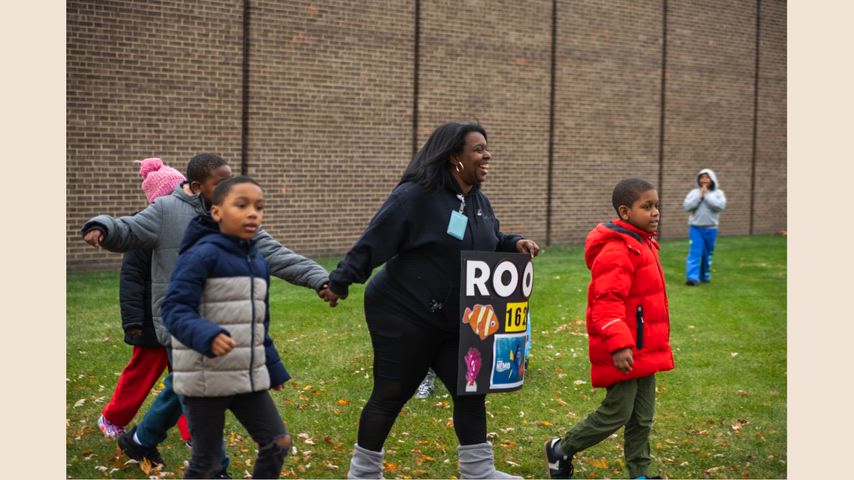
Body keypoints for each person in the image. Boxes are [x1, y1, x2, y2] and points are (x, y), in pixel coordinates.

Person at [81, 153, 336, 470]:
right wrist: (101, 227)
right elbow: (129, 229)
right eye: (221, 181)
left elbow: (276, 254)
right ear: (199, 186)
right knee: (201, 395)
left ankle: (140, 441)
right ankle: (217, 470)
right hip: (183, 326)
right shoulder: (165, 211)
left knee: (181, 388)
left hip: (226, 326)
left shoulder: (234, 214)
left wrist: (320, 279)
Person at [324, 122, 540, 479]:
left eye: (486, 149)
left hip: (455, 319)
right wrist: (342, 281)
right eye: (478, 149)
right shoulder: (415, 196)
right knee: (393, 392)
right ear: (454, 156)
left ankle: (478, 471)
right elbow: (376, 238)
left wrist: (513, 242)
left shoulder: (476, 200)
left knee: (470, 391)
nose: (487, 155)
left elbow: (488, 237)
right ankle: (363, 473)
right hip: (402, 313)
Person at [163, 176, 292, 479]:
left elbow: (257, 321)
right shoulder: (201, 255)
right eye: (242, 205)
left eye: (259, 208)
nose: (253, 214)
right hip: (206, 378)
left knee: (278, 442)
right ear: (217, 212)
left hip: (245, 376)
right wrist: (208, 335)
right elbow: (174, 309)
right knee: (207, 464)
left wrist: (272, 368)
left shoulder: (256, 260)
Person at [544, 178, 674, 480]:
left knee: (642, 417)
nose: (655, 212)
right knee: (617, 411)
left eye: (657, 206)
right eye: (647, 207)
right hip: (625, 348)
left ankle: (639, 473)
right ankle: (561, 448)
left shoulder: (643, 243)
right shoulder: (618, 251)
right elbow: (606, 302)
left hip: (643, 346)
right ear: (625, 212)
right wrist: (619, 343)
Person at [97, 158, 191, 445]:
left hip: (182, 316)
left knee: (188, 378)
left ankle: (194, 433)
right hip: (150, 321)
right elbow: (132, 279)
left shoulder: (190, 225)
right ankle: (112, 418)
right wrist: (134, 321)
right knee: (141, 374)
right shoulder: (143, 228)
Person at [682, 168, 726, 286]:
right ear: (699, 179)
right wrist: (699, 196)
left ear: (712, 179)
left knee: (707, 254)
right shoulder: (694, 193)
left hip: (711, 229)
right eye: (702, 177)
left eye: (707, 177)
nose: (704, 180)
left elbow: (719, 206)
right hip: (695, 228)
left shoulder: (718, 193)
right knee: (694, 252)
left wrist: (706, 195)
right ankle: (692, 278)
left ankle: (704, 276)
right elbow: (687, 206)